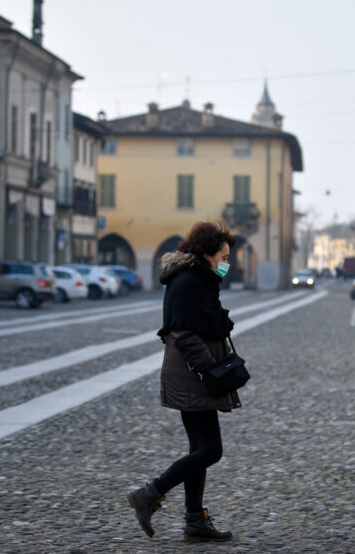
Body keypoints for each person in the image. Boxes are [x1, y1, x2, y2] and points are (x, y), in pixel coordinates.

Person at [128, 222, 239, 542]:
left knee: (200, 448)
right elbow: (184, 334)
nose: (226, 263)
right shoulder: (189, 282)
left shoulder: (200, 281)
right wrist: (210, 371)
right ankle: (150, 493)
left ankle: (194, 521)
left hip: (194, 375)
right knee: (210, 450)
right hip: (193, 376)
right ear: (206, 254)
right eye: (223, 256)